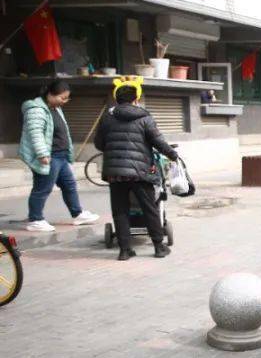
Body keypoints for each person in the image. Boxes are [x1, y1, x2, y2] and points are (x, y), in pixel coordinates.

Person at [94, 81, 176, 260]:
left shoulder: (107, 118)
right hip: (140, 172)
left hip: (115, 173)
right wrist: (172, 154)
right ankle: (158, 247)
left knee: (120, 210)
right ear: (136, 99)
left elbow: (99, 144)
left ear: (116, 99)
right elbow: (157, 141)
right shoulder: (145, 117)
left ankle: (125, 250)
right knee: (149, 208)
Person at [19, 80, 98, 232]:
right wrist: (42, 154)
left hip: (60, 156)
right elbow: (35, 134)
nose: (65, 101)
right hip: (50, 156)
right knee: (42, 188)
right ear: (50, 94)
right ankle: (35, 219)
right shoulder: (36, 109)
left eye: (67, 98)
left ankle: (77, 214)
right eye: (62, 98)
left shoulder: (55, 108)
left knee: (69, 185)